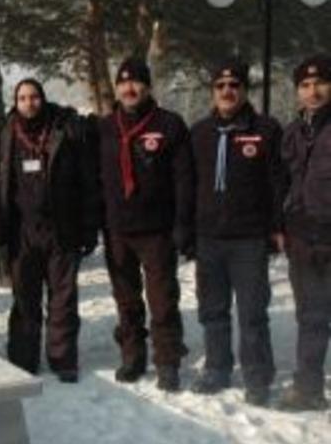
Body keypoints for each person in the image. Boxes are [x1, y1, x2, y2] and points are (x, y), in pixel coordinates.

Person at [189, 58, 283, 406]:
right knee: (212, 309)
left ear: (244, 89)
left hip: (249, 239)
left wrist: (276, 228)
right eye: (220, 86)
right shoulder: (198, 132)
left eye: (234, 85)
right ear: (213, 91)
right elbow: (189, 184)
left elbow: (277, 183)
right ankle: (217, 367)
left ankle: (257, 376)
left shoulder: (266, 129)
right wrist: (186, 230)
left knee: (253, 312)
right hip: (209, 238)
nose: (227, 91)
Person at [98, 58, 193, 391]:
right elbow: (96, 180)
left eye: (136, 82)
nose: (129, 88)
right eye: (123, 83)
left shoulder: (169, 124)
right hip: (117, 230)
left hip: (157, 230)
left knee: (163, 301)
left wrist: (182, 224)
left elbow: (184, 180)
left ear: (148, 86)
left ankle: (167, 361)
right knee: (126, 300)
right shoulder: (105, 127)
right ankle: (132, 356)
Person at [0, 78, 100, 380]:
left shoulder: (64, 130)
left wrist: (89, 227)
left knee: (62, 299)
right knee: (25, 298)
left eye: (34, 97)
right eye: (23, 98)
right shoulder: (7, 133)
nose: (29, 103)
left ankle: (63, 358)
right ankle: (23, 359)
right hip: (22, 230)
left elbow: (87, 182)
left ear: (43, 99)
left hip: (62, 228)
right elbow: (0, 183)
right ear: (16, 102)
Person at [279, 54, 331, 411]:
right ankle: (309, 388)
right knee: (310, 316)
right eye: (306, 86)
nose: (313, 92)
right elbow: (283, 182)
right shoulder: (293, 132)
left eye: (320, 84)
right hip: (303, 239)